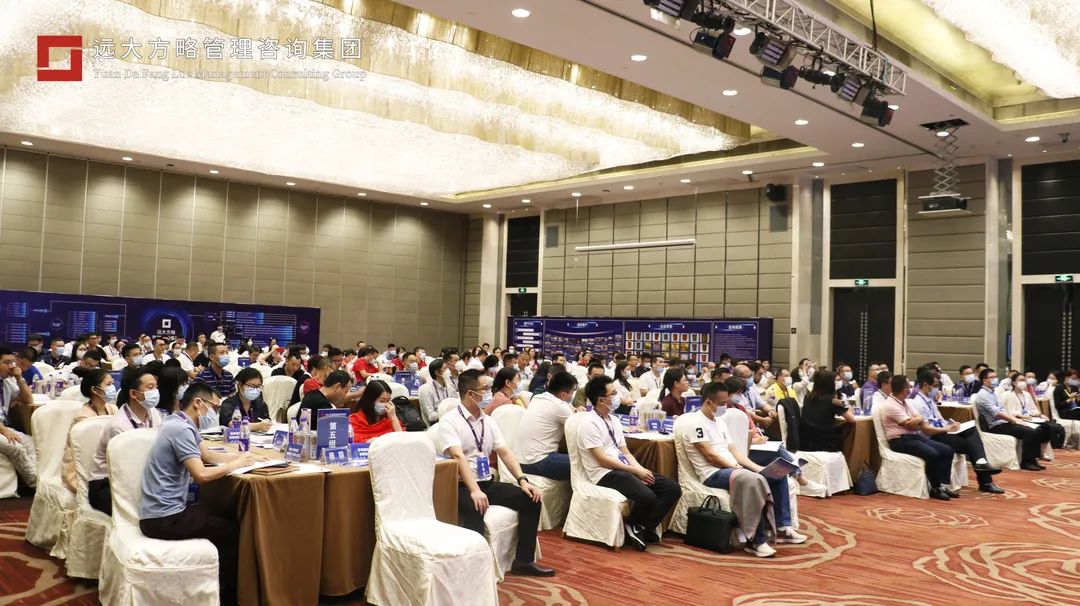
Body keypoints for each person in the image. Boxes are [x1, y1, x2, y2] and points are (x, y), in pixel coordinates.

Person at [139, 382, 263, 606]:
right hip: (164, 518)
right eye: (214, 407)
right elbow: (202, 475)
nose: (214, 413)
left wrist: (246, 459)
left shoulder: (179, 422)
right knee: (232, 529)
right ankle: (227, 597)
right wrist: (236, 464)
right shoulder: (181, 429)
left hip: (162, 513)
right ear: (198, 403)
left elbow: (208, 456)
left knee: (222, 513)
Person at [440, 369, 554, 576]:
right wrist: (474, 490)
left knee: (531, 499)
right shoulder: (450, 421)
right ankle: (474, 571)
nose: (489, 393)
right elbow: (458, 457)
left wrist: (523, 480)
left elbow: (505, 452)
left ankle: (524, 561)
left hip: (487, 482)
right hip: (462, 487)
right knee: (476, 507)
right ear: (470, 394)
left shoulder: (488, 420)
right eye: (485, 389)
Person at [678, 381, 806, 557]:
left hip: (732, 468)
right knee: (753, 480)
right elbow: (710, 456)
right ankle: (756, 540)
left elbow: (735, 452)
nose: (725, 406)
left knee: (777, 474)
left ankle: (782, 527)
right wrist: (737, 468)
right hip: (712, 473)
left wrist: (757, 468)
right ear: (708, 402)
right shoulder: (696, 423)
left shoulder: (720, 423)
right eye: (722, 403)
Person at [579, 375, 681, 550]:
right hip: (604, 473)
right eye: (613, 393)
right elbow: (602, 459)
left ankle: (644, 526)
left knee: (672, 488)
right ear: (601, 400)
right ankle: (633, 524)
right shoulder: (589, 423)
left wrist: (639, 469)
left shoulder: (614, 420)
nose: (617, 396)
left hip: (623, 468)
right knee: (647, 496)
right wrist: (634, 471)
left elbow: (625, 451)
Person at [908, 371, 1004, 494]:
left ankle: (982, 466)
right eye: (936, 385)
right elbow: (926, 430)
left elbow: (939, 419)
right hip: (932, 437)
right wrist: (947, 429)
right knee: (972, 446)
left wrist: (951, 424)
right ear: (926, 385)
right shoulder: (918, 403)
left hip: (942, 431)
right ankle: (985, 479)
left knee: (971, 430)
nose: (938, 389)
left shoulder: (929, 400)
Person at [88, 368, 164, 515]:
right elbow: (125, 471)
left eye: (156, 386)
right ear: (133, 394)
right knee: (146, 510)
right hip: (107, 484)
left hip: (140, 476)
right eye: (150, 387)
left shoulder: (153, 413)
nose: (155, 391)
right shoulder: (118, 426)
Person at [880, 374, 957, 500]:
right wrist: (917, 419)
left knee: (947, 450)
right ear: (903, 389)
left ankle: (942, 485)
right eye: (908, 387)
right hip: (899, 440)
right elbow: (909, 424)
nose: (910, 389)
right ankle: (935, 488)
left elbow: (919, 418)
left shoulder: (906, 402)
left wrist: (917, 419)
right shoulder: (890, 405)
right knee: (932, 454)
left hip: (913, 437)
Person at [974, 368, 1047, 471]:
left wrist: (1013, 419)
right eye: (992, 377)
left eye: (995, 377)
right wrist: (1015, 420)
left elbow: (1003, 409)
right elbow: (996, 413)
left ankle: (1033, 460)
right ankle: (1026, 462)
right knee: (1030, 432)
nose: (995, 379)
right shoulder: (982, 395)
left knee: (1038, 429)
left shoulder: (994, 392)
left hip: (1005, 422)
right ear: (984, 380)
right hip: (996, 425)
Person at [61, 369, 119, 492]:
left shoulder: (113, 409)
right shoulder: (83, 417)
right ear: (95, 390)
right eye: (108, 384)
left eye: (112, 384)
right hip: (84, 467)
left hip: (106, 463)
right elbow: (86, 454)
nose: (113, 388)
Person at [516, 371, 579, 481]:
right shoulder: (559, 406)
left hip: (522, 461)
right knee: (587, 463)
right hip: (538, 461)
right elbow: (579, 430)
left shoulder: (538, 398)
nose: (572, 395)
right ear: (563, 394)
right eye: (572, 391)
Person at [0, 347, 37, 489]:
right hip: (2, 428)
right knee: (16, 447)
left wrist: (19, 378)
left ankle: (39, 477)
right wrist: (5, 431)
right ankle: (34, 483)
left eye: (12, 362)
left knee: (30, 442)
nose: (11, 366)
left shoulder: (7, 382)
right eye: (6, 362)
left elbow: (28, 399)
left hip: (2, 426)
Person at [799, 369, 855, 452]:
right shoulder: (832, 400)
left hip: (805, 438)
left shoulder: (808, 397)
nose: (838, 383)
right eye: (836, 380)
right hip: (825, 439)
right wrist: (848, 407)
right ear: (829, 383)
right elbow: (851, 419)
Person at [1001, 372, 1053, 458]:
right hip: (1017, 419)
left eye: (1024, 380)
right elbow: (1009, 411)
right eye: (1020, 380)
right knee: (1037, 429)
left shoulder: (1027, 394)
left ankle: (1043, 451)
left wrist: (1035, 414)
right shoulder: (1008, 395)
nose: (1023, 382)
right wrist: (1022, 416)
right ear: (1014, 383)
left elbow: (1033, 409)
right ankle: (1033, 454)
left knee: (1047, 426)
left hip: (1029, 418)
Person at [218, 368, 272, 432]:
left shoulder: (261, 404)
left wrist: (267, 423)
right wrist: (258, 426)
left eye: (258, 386)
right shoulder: (228, 404)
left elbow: (266, 419)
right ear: (240, 385)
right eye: (251, 386)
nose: (255, 389)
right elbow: (231, 425)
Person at [417, 359, 453, 424]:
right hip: (436, 424)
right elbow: (431, 416)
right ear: (437, 372)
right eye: (445, 368)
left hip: (451, 422)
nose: (449, 371)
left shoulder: (450, 388)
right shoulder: (425, 389)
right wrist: (448, 414)